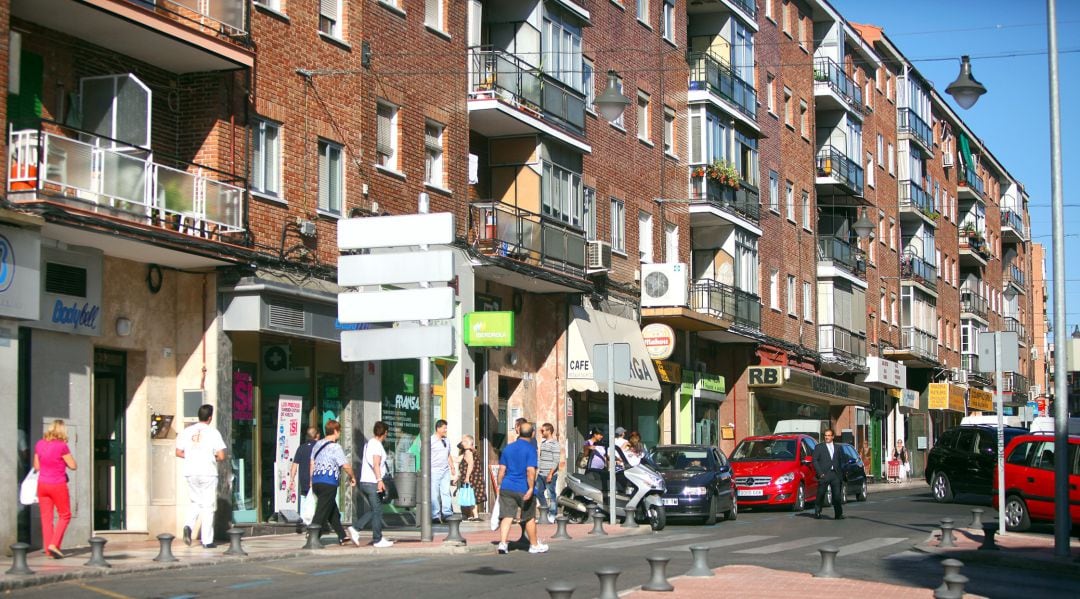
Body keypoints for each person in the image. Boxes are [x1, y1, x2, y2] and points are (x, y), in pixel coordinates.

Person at [176, 404, 226, 548]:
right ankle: (207, 540)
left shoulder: (186, 431)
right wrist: (210, 457)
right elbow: (221, 455)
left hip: (191, 472)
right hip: (208, 472)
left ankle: (188, 525)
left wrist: (193, 457)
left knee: (195, 502)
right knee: (208, 506)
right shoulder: (213, 432)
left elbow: (178, 452)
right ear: (210, 417)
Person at [496, 422, 547, 554]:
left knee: (507, 516)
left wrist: (499, 485)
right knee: (529, 517)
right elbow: (530, 471)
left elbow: (501, 470)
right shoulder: (530, 449)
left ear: (518, 432)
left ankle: (502, 544)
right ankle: (534, 545)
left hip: (507, 486)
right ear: (533, 433)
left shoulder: (508, 448)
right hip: (523, 487)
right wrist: (531, 488)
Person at [310, 419, 357, 546]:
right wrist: (352, 476)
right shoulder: (336, 447)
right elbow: (345, 465)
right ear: (335, 431)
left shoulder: (318, 444)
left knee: (331, 510)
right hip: (328, 482)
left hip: (317, 481)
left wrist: (311, 480)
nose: (340, 433)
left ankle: (342, 536)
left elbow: (312, 463)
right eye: (339, 431)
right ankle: (313, 537)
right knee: (322, 510)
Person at [34, 419, 77, 558]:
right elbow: (73, 466)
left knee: (46, 518)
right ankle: (54, 544)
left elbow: (36, 467)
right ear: (62, 431)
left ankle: (49, 551)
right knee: (65, 515)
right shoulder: (62, 446)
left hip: (42, 484)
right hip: (57, 484)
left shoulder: (39, 444)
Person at [348, 421, 393, 548]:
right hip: (373, 482)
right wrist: (379, 480)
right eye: (386, 432)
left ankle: (361, 530)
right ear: (384, 433)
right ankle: (375, 538)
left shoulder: (369, 444)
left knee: (375, 510)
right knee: (377, 510)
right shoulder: (376, 445)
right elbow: (376, 463)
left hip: (365, 482)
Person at [289, 426, 321, 531]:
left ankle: (304, 523)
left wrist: (292, 480)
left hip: (303, 479)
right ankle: (315, 524)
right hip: (316, 479)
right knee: (316, 501)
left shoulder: (301, 447)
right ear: (317, 435)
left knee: (304, 500)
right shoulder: (319, 447)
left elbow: (294, 465)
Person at [812, 429, 844, 520]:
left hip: (835, 474)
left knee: (837, 496)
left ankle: (838, 514)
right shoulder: (819, 447)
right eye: (826, 435)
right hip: (824, 474)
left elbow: (841, 460)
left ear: (833, 436)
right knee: (821, 494)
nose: (827, 437)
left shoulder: (838, 447)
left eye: (829, 435)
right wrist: (820, 473)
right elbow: (814, 460)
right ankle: (817, 511)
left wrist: (841, 474)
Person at [430, 419, 457, 523]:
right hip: (434, 470)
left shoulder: (446, 440)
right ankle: (435, 515)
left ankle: (447, 513)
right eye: (444, 428)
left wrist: (452, 467)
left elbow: (448, 454)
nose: (446, 430)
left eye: (446, 428)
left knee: (446, 492)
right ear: (438, 428)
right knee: (434, 494)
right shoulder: (431, 440)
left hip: (445, 470)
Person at [535, 423, 562, 524]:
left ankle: (552, 514)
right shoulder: (543, 443)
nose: (541, 432)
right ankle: (544, 513)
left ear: (549, 431)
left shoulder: (555, 444)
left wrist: (550, 474)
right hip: (541, 473)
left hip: (550, 474)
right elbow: (540, 457)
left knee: (551, 494)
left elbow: (556, 461)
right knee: (538, 492)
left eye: (543, 431)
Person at [457, 434, 486, 521]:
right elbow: (457, 459)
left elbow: (470, 464)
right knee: (471, 496)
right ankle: (473, 515)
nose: (462, 443)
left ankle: (473, 515)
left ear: (469, 443)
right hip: (474, 478)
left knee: (470, 496)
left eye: (464, 441)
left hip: (472, 478)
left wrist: (467, 477)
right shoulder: (469, 452)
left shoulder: (468, 452)